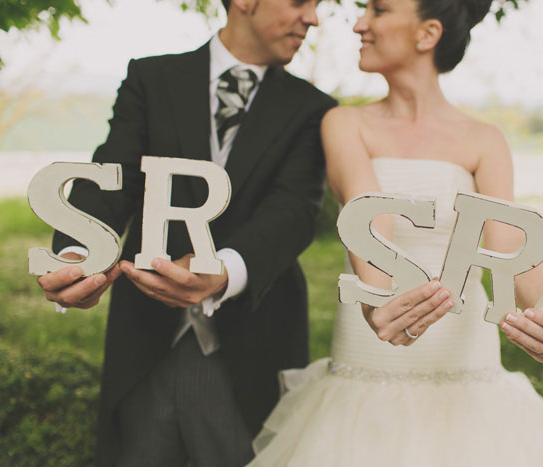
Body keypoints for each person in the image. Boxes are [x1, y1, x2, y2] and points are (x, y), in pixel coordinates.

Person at [248, 0, 543, 465]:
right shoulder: (345, 123)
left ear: (427, 34)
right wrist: (377, 300)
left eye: (380, 10)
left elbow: (509, 245)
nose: (359, 24)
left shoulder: (484, 138)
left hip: (465, 367)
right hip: (367, 361)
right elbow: (368, 218)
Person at [35, 0, 340, 465]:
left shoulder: (314, 109)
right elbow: (113, 175)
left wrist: (224, 272)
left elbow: (295, 210)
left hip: (254, 340)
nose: (313, 18)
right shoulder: (150, 79)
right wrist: (79, 254)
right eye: (301, 1)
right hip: (145, 339)